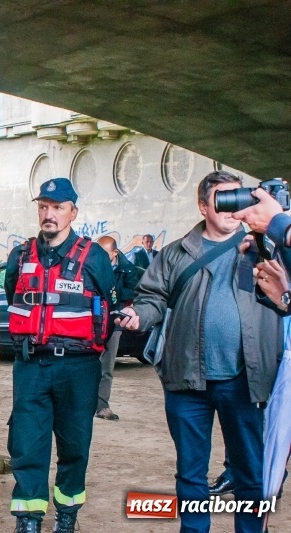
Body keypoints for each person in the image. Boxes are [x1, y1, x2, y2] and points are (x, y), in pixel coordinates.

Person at [117, 170, 282, 533]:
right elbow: (152, 299)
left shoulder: (264, 247)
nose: (232, 208)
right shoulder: (175, 253)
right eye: (223, 199)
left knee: (250, 473)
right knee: (191, 473)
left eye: (239, 199)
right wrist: (137, 315)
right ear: (203, 205)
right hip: (187, 381)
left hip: (246, 381)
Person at [4, 178, 116, 533]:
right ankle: (29, 519)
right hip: (31, 364)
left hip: (78, 367)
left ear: (73, 212)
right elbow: (14, 295)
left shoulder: (93, 256)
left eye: (57, 207)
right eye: (44, 206)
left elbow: (108, 302)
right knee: (26, 444)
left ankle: (67, 516)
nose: (49, 214)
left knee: (74, 444)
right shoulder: (20, 255)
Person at [95, 235, 143, 421]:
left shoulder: (127, 269)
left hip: (113, 322)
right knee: (85, 366)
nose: (100, 259)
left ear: (115, 253)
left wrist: (112, 292)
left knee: (106, 367)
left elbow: (134, 291)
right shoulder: (92, 265)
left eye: (105, 255)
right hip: (91, 322)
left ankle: (102, 406)